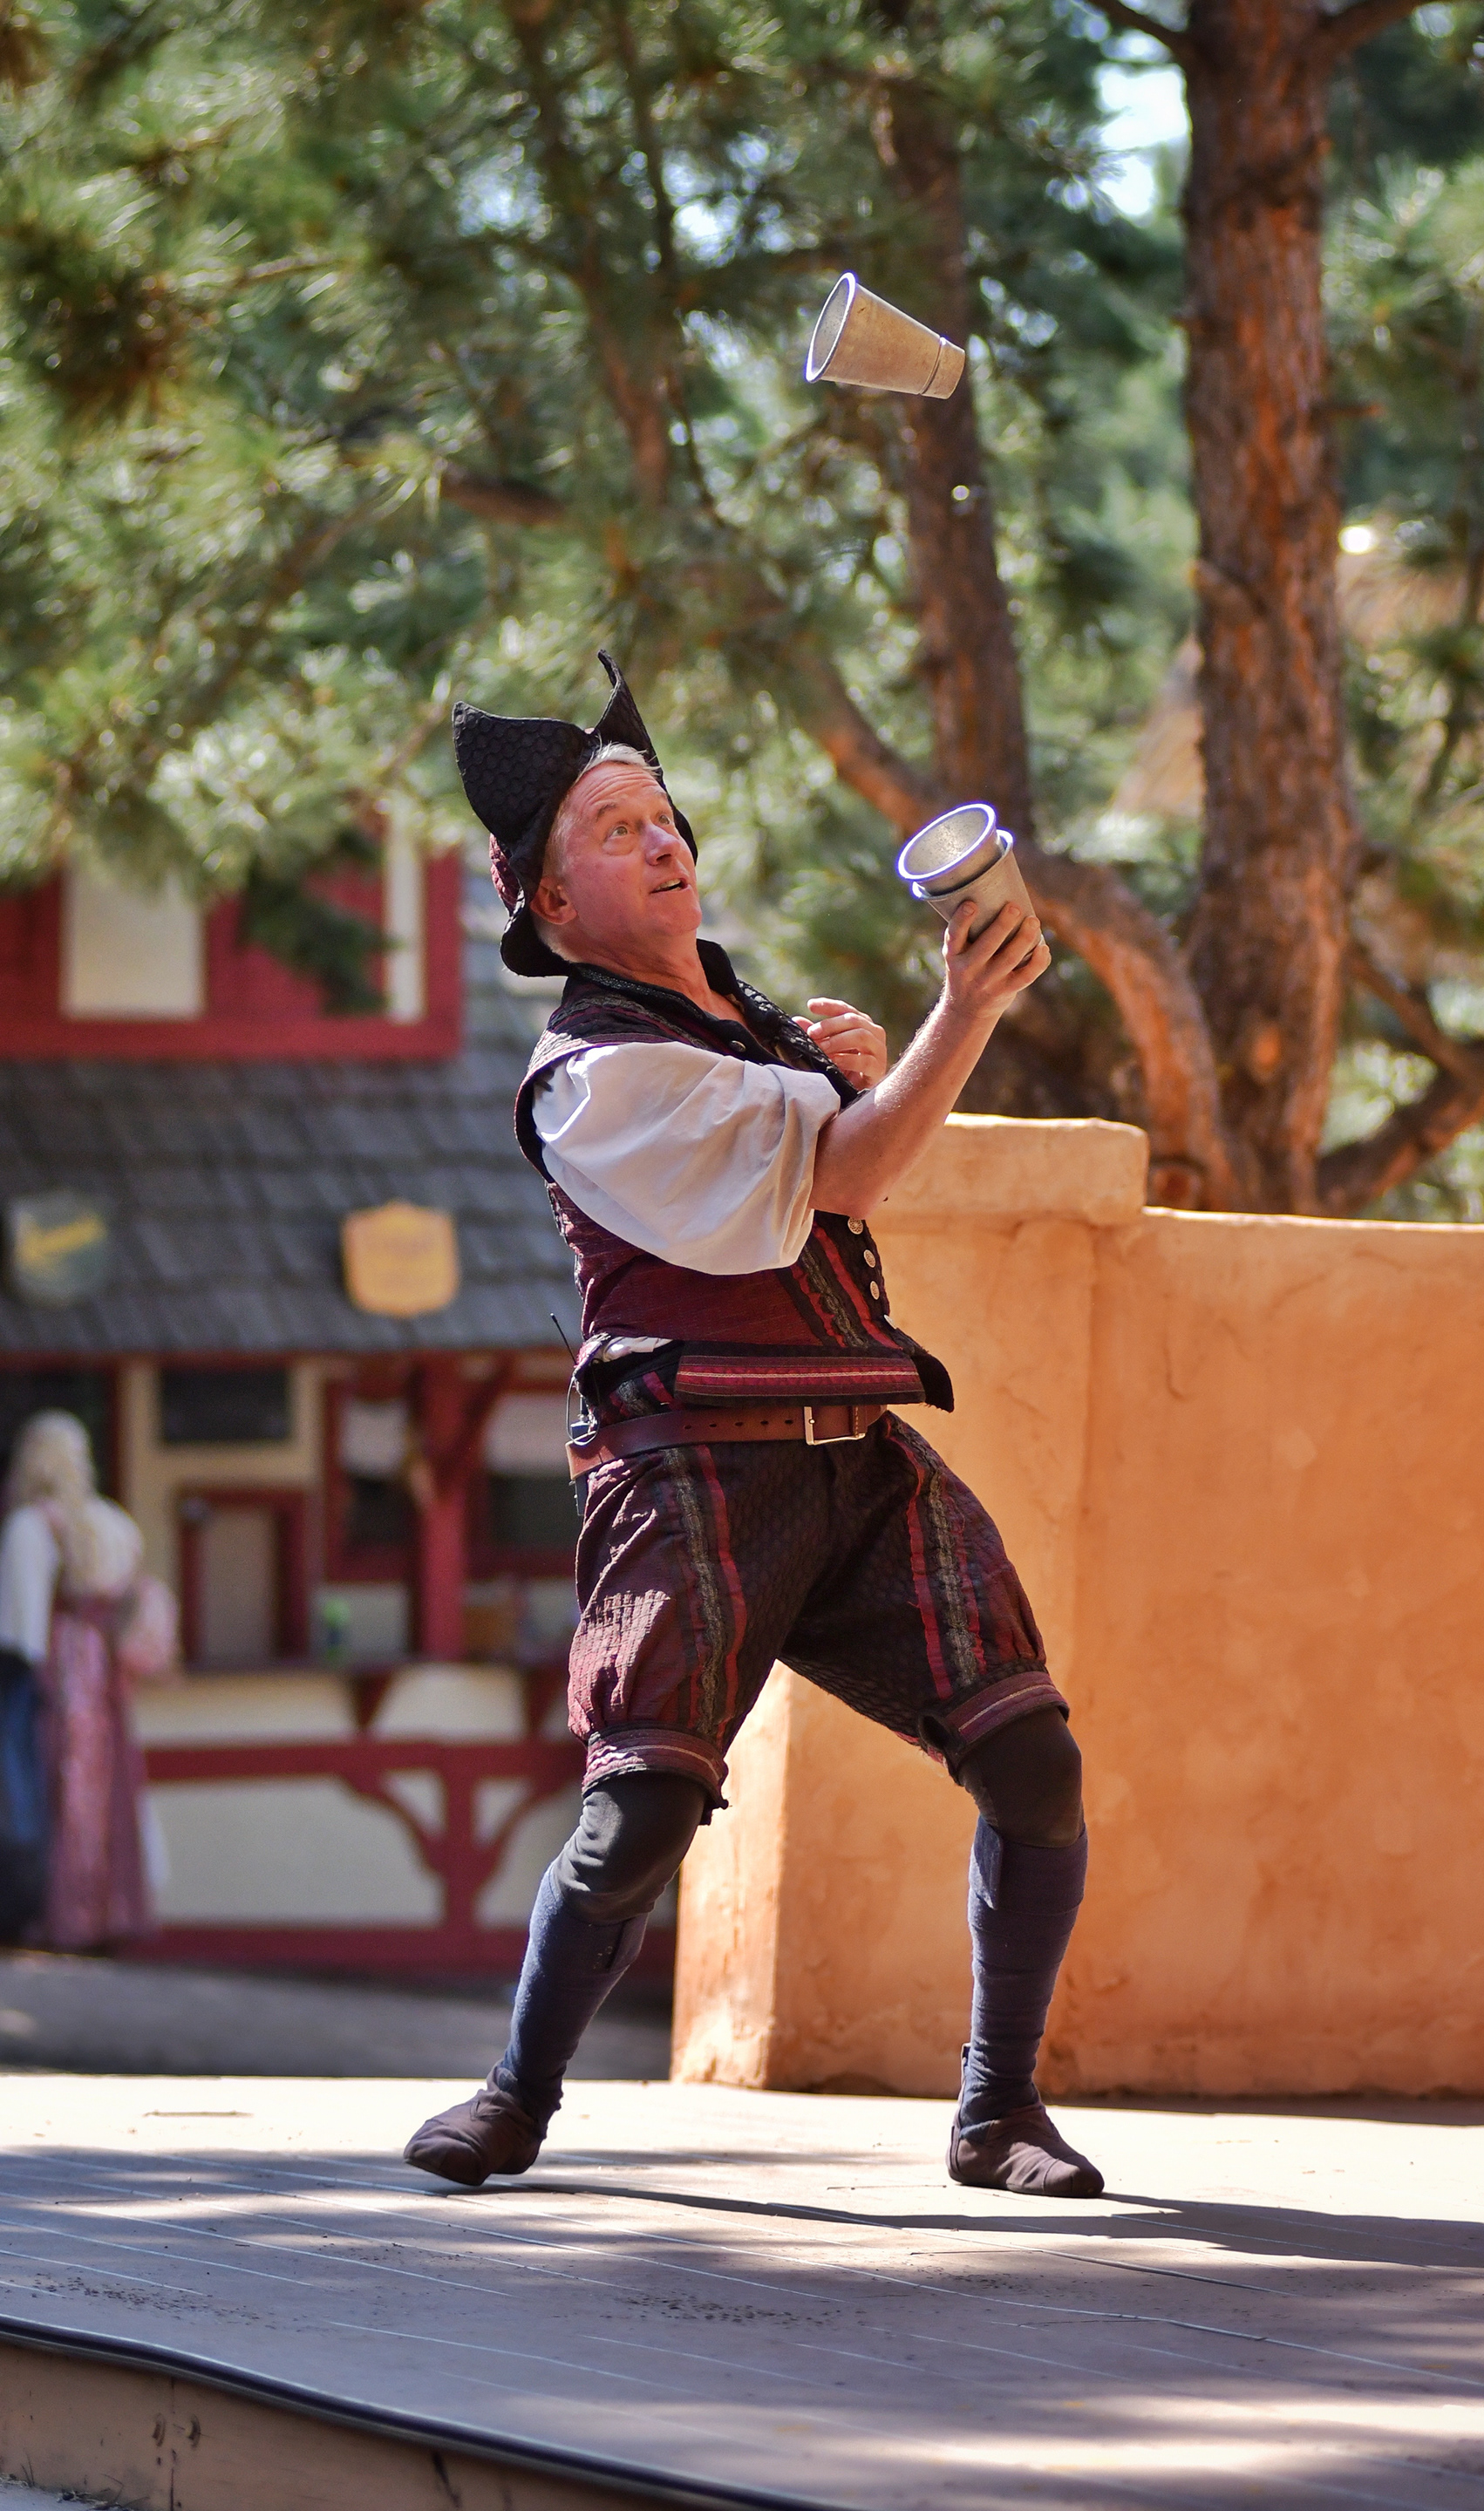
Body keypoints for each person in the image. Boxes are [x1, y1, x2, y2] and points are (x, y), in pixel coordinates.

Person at [405, 653, 1101, 2200]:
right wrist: (958, 1011)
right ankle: (516, 2097)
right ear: (549, 904)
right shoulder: (591, 1077)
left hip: (856, 1456)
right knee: (644, 1803)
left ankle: (1000, 2114)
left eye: (662, 813)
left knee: (1033, 1759)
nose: (661, 838)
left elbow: (844, 1143)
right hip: (688, 1477)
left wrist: (867, 1054)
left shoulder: (758, 1029)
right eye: (612, 825)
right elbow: (848, 1175)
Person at [0, 1412, 171, 1949]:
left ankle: (56, 1916)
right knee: (108, 1791)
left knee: (50, 1791)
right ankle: (106, 1912)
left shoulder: (31, 1526)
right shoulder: (113, 1522)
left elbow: (22, 1634)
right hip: (104, 1680)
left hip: (56, 1677)